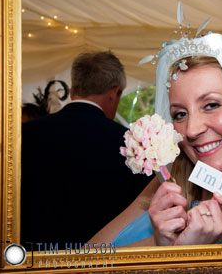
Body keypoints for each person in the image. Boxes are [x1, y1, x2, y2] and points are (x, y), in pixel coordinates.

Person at [89, 32, 222, 246]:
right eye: (180, 114)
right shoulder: (168, 185)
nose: (191, 130)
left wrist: (182, 253)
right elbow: (85, 259)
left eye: (211, 105)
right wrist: (162, 244)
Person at [21, 51, 151, 246]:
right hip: (102, 261)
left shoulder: (23, 135)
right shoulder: (132, 145)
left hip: (28, 258)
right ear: (114, 93)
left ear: (73, 90)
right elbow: (142, 212)